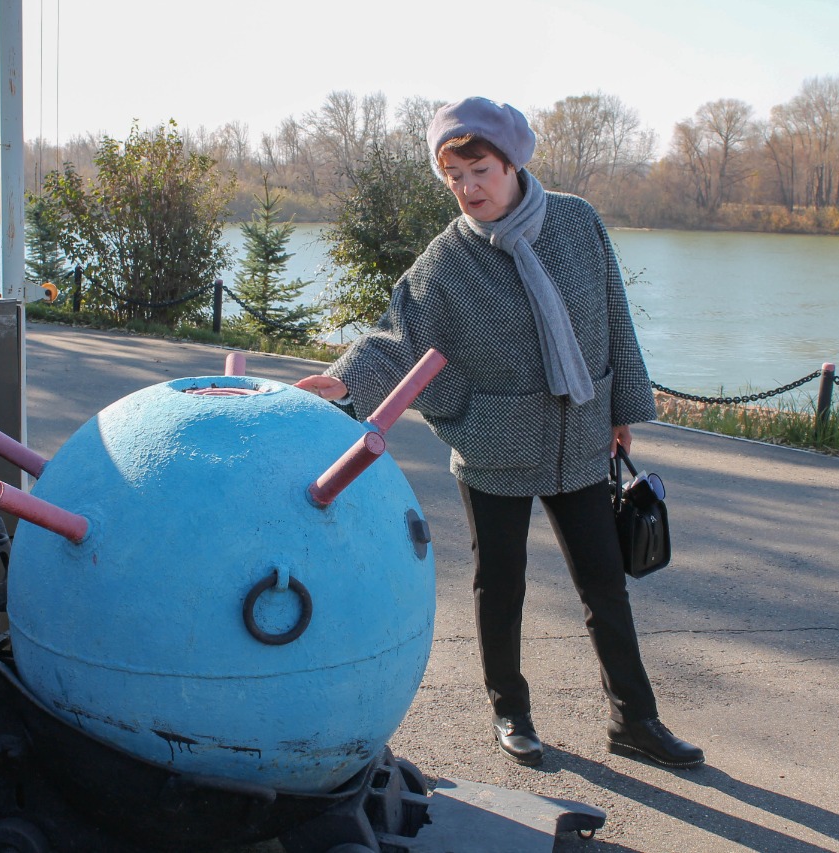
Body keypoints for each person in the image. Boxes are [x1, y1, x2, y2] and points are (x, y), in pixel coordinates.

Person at [295, 97, 703, 769]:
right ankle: (510, 711)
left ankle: (636, 719)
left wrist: (621, 409)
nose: (468, 188)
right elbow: (399, 336)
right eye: (453, 176)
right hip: (496, 443)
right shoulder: (448, 259)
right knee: (501, 585)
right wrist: (342, 381)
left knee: (605, 583)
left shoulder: (576, 222)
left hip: (580, 436)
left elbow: (612, 318)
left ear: (513, 162)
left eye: (479, 169)